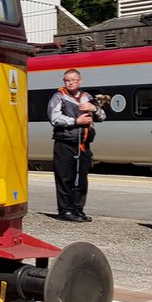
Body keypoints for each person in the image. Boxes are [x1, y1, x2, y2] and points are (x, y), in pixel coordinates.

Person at [47, 69, 106, 222]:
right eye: (67, 80)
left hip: (83, 145)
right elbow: (54, 118)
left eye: (74, 79)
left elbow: (102, 117)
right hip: (65, 143)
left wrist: (94, 109)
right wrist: (75, 122)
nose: (70, 82)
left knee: (81, 178)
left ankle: (78, 209)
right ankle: (65, 210)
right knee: (65, 178)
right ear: (64, 81)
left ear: (80, 80)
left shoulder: (87, 97)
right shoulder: (59, 97)